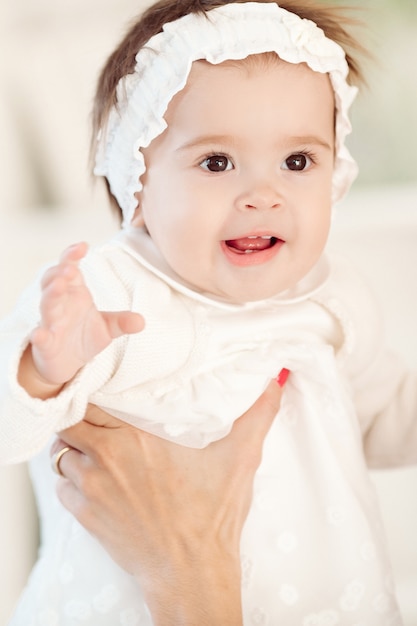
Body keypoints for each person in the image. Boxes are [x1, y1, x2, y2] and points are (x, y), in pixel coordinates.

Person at [0, 0, 416, 624]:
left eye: (297, 161)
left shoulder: (331, 300)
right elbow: (12, 429)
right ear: (137, 187)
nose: (262, 194)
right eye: (216, 162)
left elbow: (382, 415)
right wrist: (43, 368)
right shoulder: (110, 295)